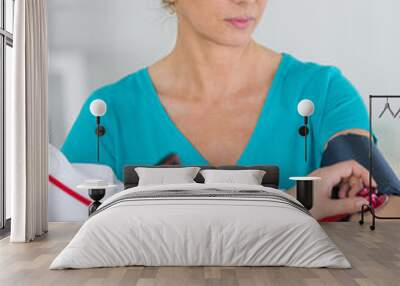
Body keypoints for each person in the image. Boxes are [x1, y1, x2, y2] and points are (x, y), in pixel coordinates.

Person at [61, 0, 399, 220]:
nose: (248, 2)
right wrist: (293, 206)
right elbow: (65, 239)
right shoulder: (108, 116)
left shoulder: (324, 92)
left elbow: (387, 212)